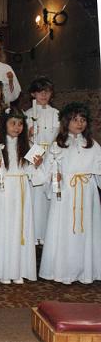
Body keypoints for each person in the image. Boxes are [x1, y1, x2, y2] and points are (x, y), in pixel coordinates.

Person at [39, 103, 101, 284]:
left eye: (83, 120)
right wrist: (55, 178)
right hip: (66, 193)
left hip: (87, 193)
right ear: (66, 122)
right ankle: (64, 270)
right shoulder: (58, 145)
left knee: (87, 229)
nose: (79, 123)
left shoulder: (92, 145)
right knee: (65, 229)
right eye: (75, 120)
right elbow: (48, 170)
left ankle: (86, 270)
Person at [0, 107, 44, 285]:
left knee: (21, 227)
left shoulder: (28, 146)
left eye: (20, 124)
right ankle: (5, 270)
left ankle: (19, 269)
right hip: (5, 191)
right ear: (4, 125)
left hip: (21, 190)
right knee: (6, 227)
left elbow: (36, 176)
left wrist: (37, 165)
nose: (17, 127)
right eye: (13, 123)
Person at [25, 76, 59, 244]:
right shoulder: (27, 115)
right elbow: (21, 138)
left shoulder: (56, 114)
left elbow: (60, 135)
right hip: (35, 154)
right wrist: (28, 134)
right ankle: (34, 235)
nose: (44, 95)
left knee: (49, 196)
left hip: (51, 155)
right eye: (40, 92)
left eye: (47, 92)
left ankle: (48, 236)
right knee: (36, 195)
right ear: (33, 94)